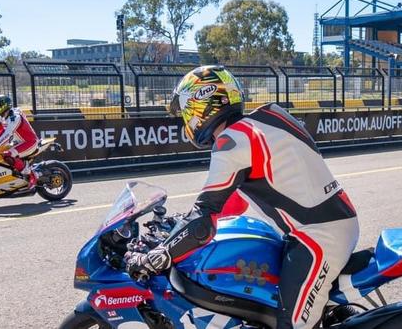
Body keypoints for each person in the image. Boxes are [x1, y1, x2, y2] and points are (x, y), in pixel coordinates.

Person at [126, 65, 359, 329]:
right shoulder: (270, 117)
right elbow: (228, 204)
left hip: (319, 237)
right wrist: (177, 226)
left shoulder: (231, 142)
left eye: (185, 112)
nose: (186, 120)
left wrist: (159, 255)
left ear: (199, 106)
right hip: (325, 224)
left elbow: (204, 222)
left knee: (291, 325)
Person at [0, 95, 40, 189]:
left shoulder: (14, 117)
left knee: (8, 154)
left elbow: (7, 134)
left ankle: (32, 175)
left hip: (29, 142)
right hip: (17, 143)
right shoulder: (3, 117)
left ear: (3, 106)